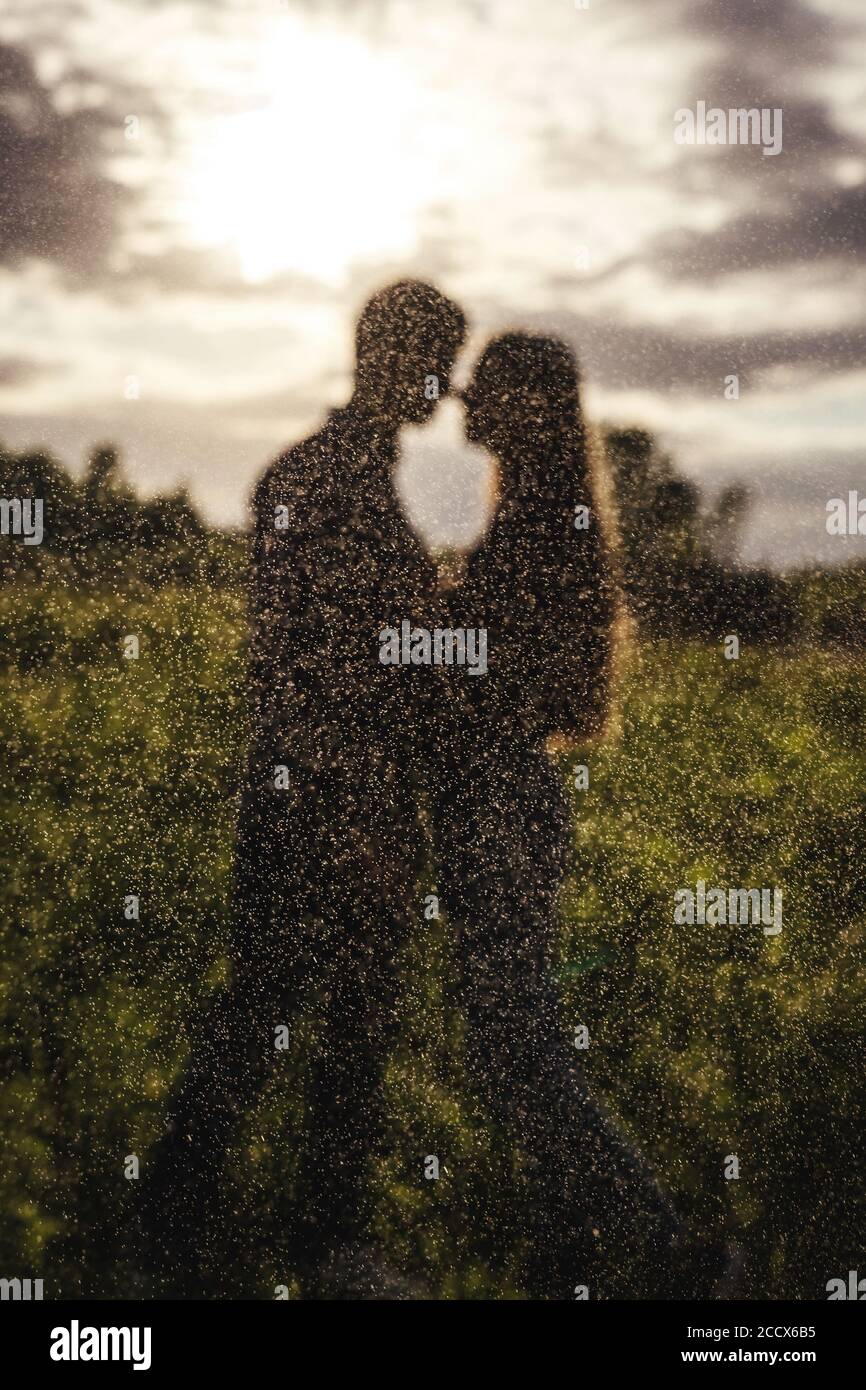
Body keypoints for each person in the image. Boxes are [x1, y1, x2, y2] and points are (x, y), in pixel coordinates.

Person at [141, 281, 466, 1298]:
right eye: (435, 359)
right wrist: (353, 809)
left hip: (333, 796)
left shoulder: (340, 474)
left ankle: (220, 1234)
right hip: (319, 804)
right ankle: (241, 1243)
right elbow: (289, 669)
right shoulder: (323, 479)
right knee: (297, 1019)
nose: (445, 385)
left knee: (306, 1020)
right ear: (391, 355)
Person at [433, 332, 694, 1298]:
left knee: (515, 1046)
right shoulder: (545, 514)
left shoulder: (540, 522)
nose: (462, 406)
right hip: (508, 799)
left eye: (482, 392)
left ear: (527, 406)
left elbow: (491, 668)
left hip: (503, 802)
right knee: (515, 1039)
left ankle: (681, 1261)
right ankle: (572, 1262)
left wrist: (423, 613)